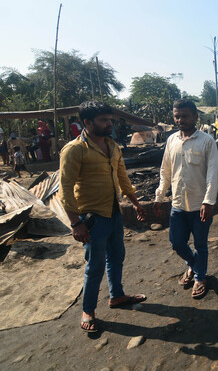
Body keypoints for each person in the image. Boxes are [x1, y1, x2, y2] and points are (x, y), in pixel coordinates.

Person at [59, 101, 147, 333]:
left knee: (117, 256)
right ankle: (88, 310)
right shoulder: (74, 150)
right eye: (103, 120)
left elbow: (123, 178)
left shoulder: (113, 146)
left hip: (114, 213)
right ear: (87, 123)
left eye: (110, 119)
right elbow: (65, 189)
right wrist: (75, 223)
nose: (109, 124)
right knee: (94, 266)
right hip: (93, 219)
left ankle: (116, 296)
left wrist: (136, 204)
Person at [154, 99, 218, 299]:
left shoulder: (207, 141)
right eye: (177, 116)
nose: (180, 120)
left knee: (200, 244)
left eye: (184, 116)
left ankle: (200, 277)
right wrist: (159, 196)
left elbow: (213, 173)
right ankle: (192, 264)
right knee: (176, 242)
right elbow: (165, 171)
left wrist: (208, 201)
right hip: (178, 205)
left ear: (195, 117)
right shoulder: (172, 140)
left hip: (200, 204)